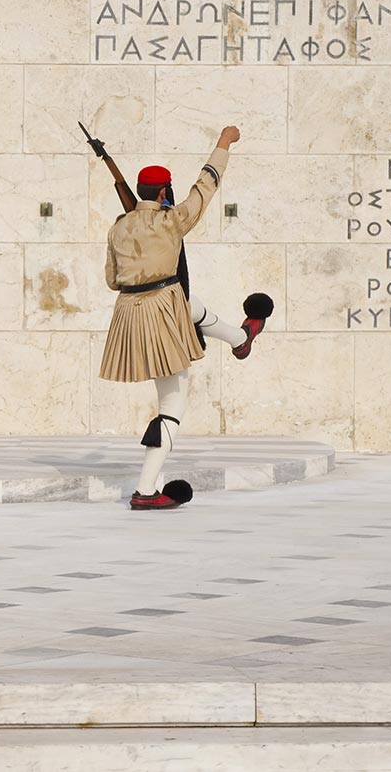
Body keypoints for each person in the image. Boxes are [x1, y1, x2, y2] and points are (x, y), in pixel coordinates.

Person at [98, 125, 273, 510]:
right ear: (163, 192)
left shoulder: (118, 228)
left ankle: (240, 340)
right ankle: (146, 491)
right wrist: (223, 143)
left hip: (128, 314)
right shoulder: (171, 219)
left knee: (190, 308)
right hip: (163, 307)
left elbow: (112, 280)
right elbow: (205, 187)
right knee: (172, 408)